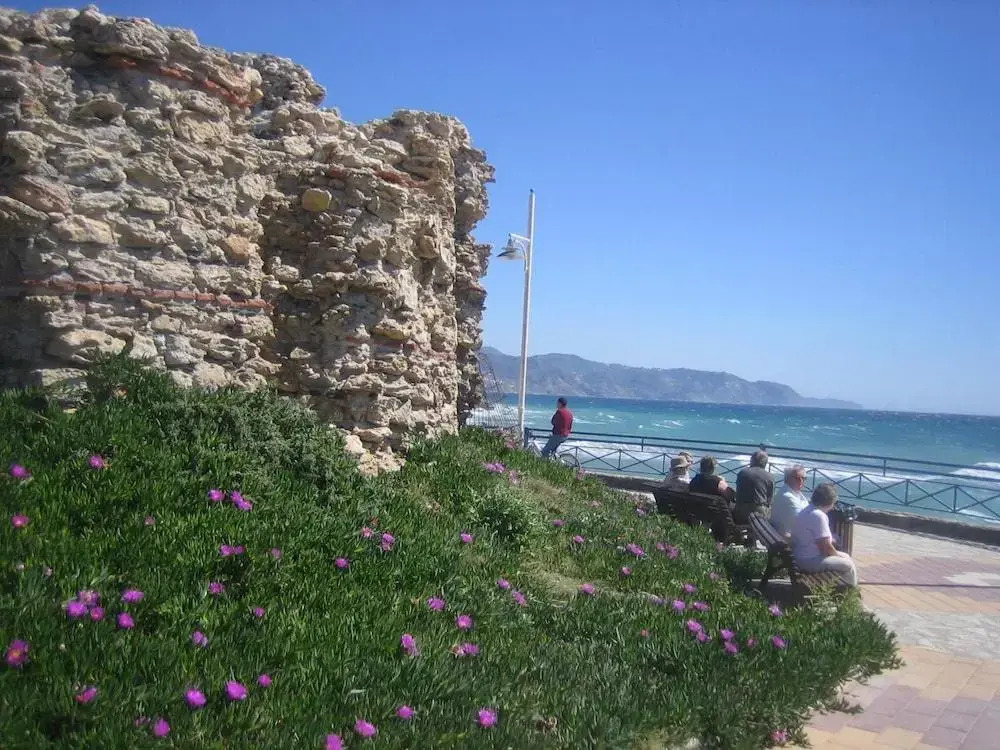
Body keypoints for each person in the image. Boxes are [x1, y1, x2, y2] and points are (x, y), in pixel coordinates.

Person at [790, 483, 858, 588]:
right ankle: (850, 591)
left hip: (800, 556)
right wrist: (837, 555)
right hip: (809, 561)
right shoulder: (818, 516)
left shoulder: (806, 510)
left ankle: (845, 588)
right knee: (848, 565)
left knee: (846, 557)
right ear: (830, 501)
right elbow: (825, 548)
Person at [735, 449, 775, 523]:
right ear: (765, 463)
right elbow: (770, 500)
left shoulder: (742, 472)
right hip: (760, 513)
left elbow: (738, 493)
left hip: (741, 511)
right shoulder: (770, 477)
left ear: (752, 460)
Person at [770, 465, 809, 537]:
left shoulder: (789, 492)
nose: (801, 481)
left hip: (780, 535)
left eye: (804, 478)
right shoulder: (788, 497)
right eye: (797, 478)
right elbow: (805, 521)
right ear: (787, 478)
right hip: (788, 539)